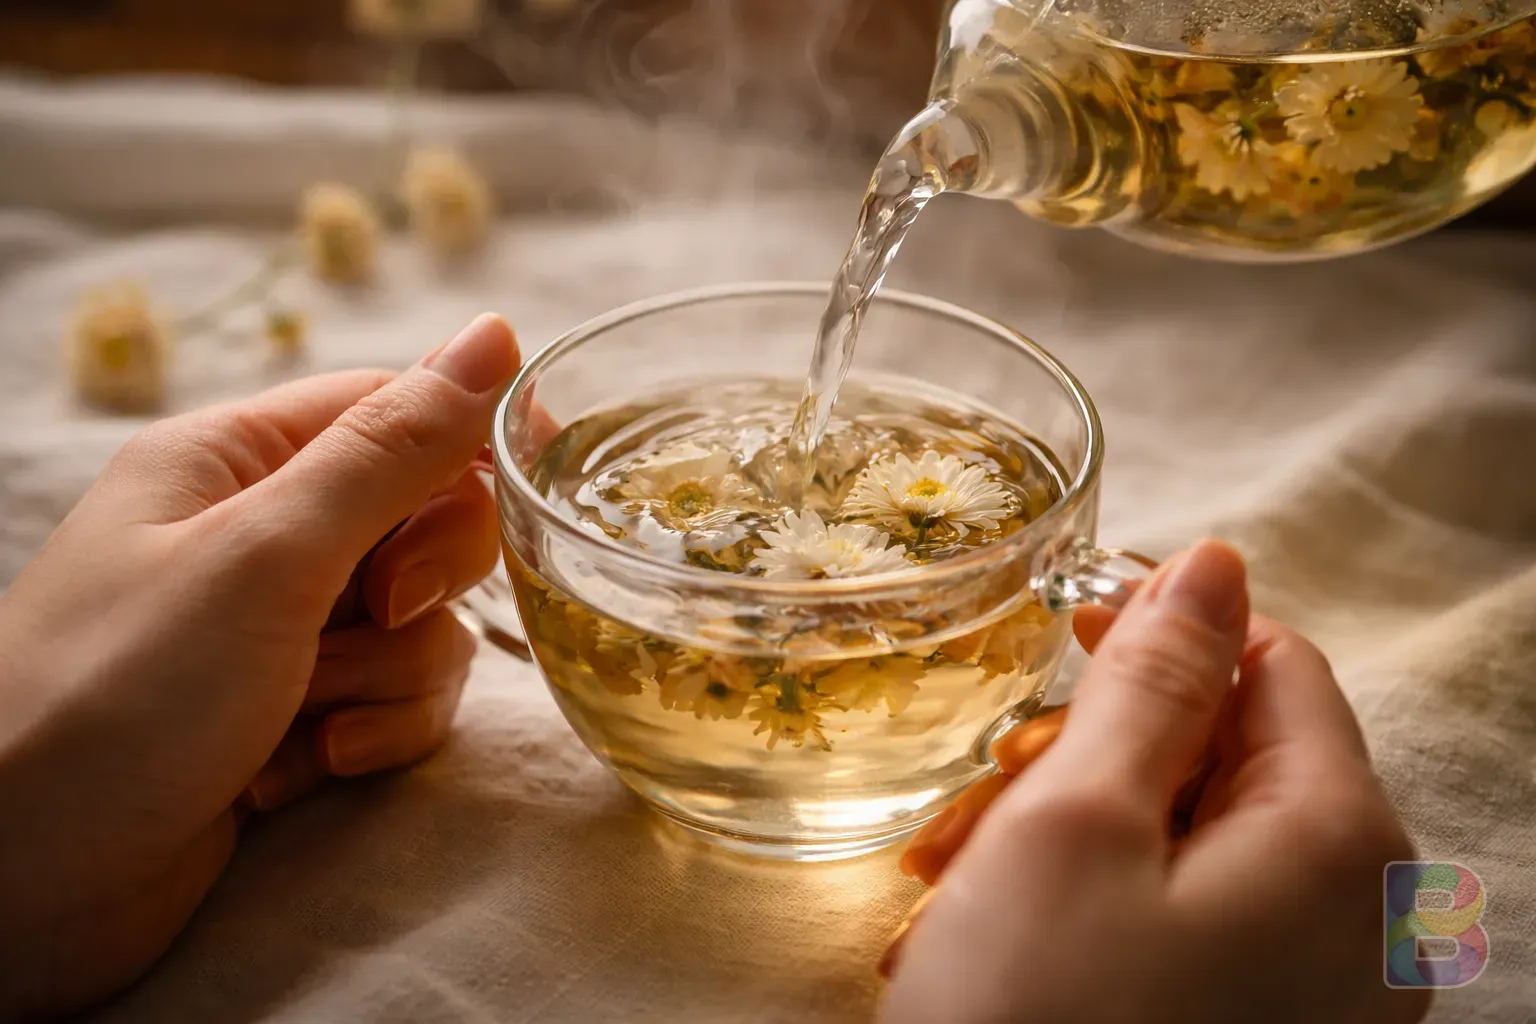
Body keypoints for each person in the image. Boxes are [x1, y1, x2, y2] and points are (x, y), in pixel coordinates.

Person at [0, 314, 1427, 1023]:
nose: (1446, 915)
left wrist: (35, 846)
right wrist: (1435, 929)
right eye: (1446, 920)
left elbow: (1469, 936)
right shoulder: (1406, 908)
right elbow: (1434, 932)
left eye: (1444, 920)